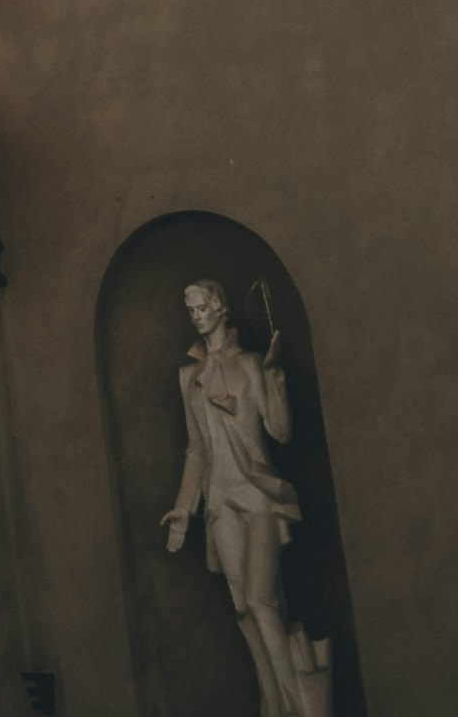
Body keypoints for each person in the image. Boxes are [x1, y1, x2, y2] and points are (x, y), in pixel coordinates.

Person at [163, 280, 338, 717]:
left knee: (262, 600)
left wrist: (274, 378)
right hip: (220, 502)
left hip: (257, 495)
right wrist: (185, 508)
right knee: (244, 610)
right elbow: (196, 449)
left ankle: (300, 706)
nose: (195, 315)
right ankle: (274, 705)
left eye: (201, 307)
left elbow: (280, 431)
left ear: (221, 309)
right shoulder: (190, 377)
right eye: (190, 310)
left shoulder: (252, 364)